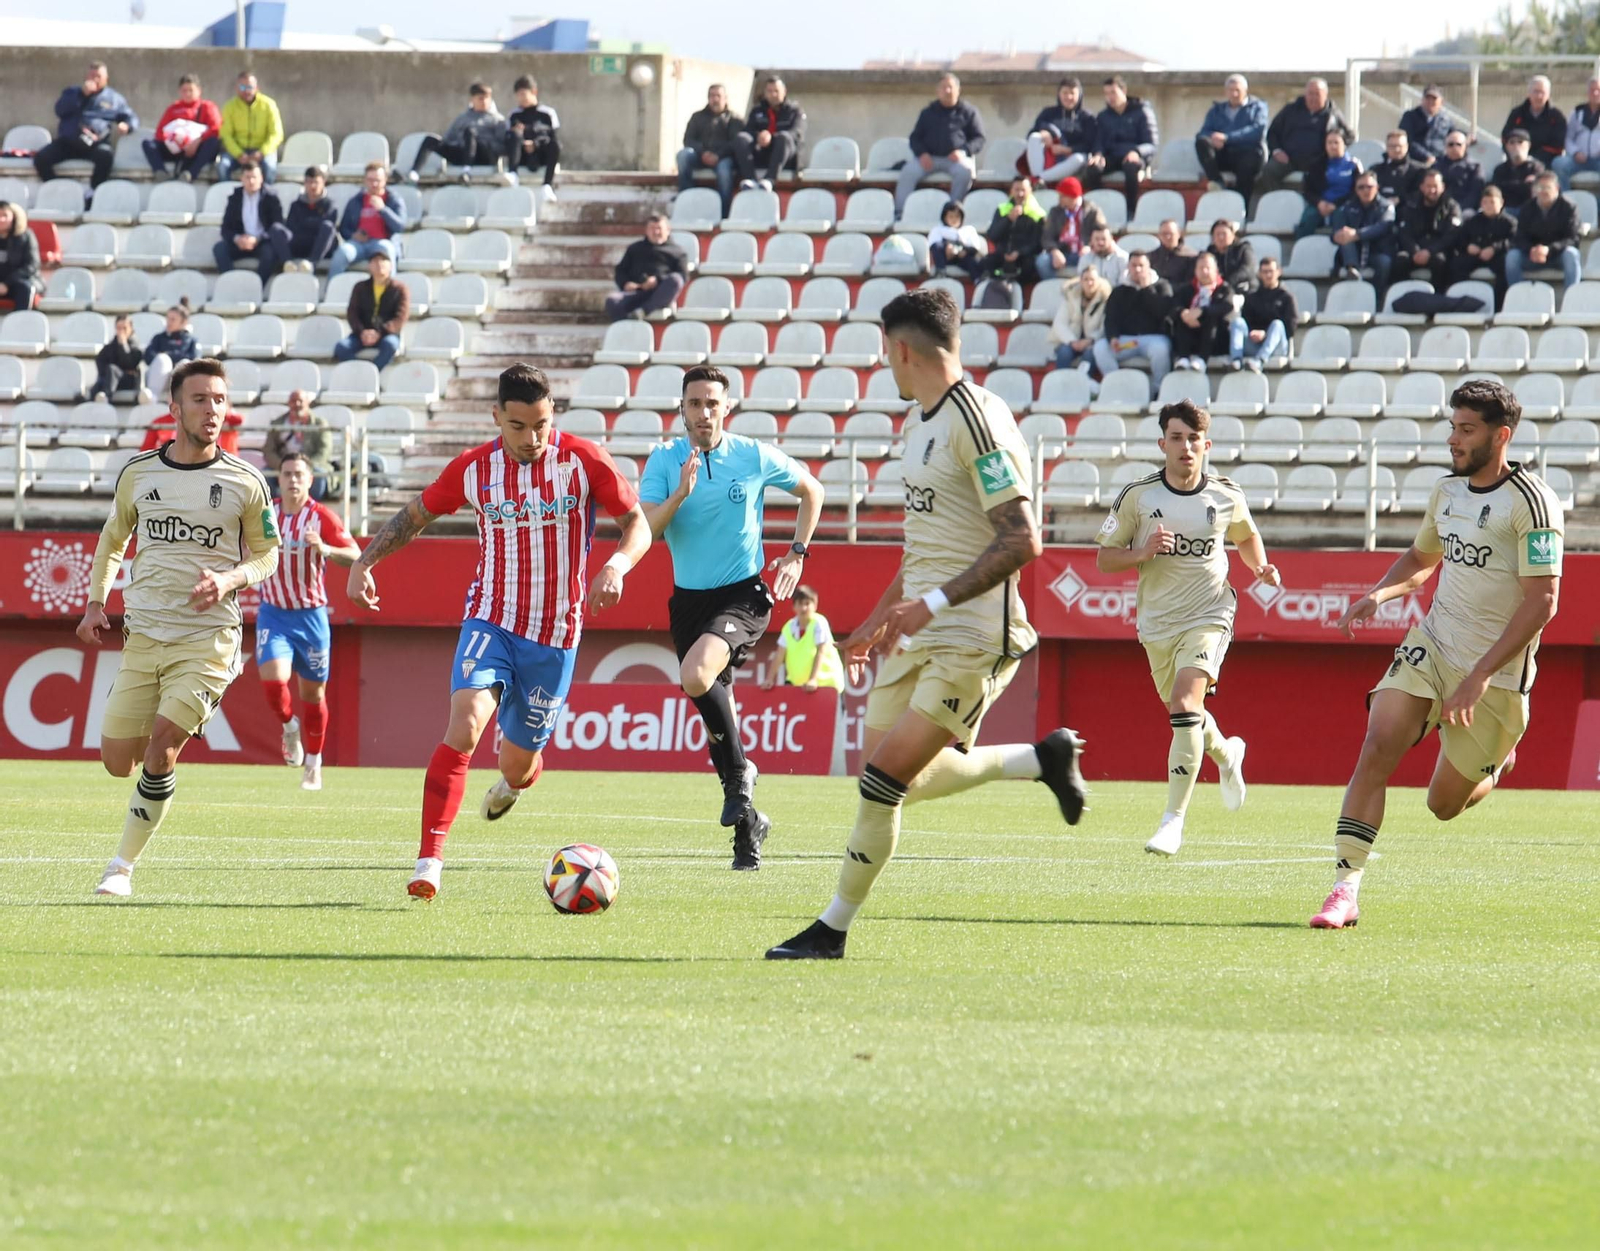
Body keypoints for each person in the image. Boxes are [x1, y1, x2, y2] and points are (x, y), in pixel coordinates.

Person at [765, 288, 1086, 960]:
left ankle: (832, 927)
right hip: (921, 631)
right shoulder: (921, 426)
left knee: (881, 780)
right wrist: (882, 617)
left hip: (973, 636)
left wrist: (931, 604)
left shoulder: (979, 418)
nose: (886, 364)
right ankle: (1037, 758)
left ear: (901, 348)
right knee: (893, 773)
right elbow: (923, 549)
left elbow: (1024, 539)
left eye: (886, 352)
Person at [347, 364, 651, 901]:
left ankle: (516, 780)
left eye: (541, 424)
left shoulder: (583, 461)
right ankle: (429, 862)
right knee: (463, 728)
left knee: (517, 762)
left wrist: (616, 567)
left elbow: (638, 525)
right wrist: (364, 562)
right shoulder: (474, 469)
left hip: (555, 637)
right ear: (496, 418)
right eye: (518, 426)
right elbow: (416, 515)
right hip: (491, 620)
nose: (532, 438)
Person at [1311, 379, 1563, 930]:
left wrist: (1479, 675)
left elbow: (1544, 600)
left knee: (1442, 805)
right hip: (1434, 643)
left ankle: (1495, 764)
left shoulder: (1533, 502)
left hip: (1494, 675)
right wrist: (1380, 592)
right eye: (1452, 427)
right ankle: (1344, 890)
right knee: (1377, 745)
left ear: (1502, 436)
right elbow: (1422, 557)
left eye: (1466, 430)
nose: (1454, 439)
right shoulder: (1446, 492)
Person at [79, 358, 280, 898]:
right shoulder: (139, 473)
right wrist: (97, 601)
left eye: (219, 399)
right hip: (144, 636)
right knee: (118, 761)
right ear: (174, 409)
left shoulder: (246, 481)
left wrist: (231, 578)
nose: (212, 409)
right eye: (200, 399)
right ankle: (151, 781)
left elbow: (268, 555)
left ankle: (120, 868)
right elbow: (113, 538)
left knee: (163, 745)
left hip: (208, 638)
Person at [639, 365, 825, 869]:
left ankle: (741, 776)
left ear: (727, 408)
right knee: (723, 720)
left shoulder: (752, 455)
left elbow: (814, 491)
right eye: (694, 403)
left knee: (696, 675)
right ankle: (749, 831)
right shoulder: (663, 461)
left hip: (743, 594)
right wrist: (679, 492)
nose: (703, 412)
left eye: (712, 403)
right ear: (681, 408)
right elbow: (648, 530)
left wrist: (796, 553)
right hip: (689, 601)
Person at [1095, 398, 1278, 856]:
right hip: (1157, 623)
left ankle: (1172, 821)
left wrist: (1260, 567)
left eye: (1194, 439)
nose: (1186, 447)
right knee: (1186, 716)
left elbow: (1247, 536)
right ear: (1162, 443)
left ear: (1206, 444)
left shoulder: (1226, 494)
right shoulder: (1138, 496)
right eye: (1176, 438)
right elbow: (1103, 558)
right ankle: (1226, 753)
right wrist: (1141, 552)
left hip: (1210, 612)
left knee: (1184, 700)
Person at [256, 451, 361, 791]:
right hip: (273, 611)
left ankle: (314, 765)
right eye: (287, 474)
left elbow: (356, 556)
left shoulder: (321, 518)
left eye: (299, 474)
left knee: (313, 695)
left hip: (311, 616)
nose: (293, 480)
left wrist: (327, 550)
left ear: (310, 480)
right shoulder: (265, 514)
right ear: (279, 478)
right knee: (273, 680)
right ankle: (289, 726)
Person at [35, 61, 138, 190]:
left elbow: (131, 117)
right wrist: (82, 95)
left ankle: (94, 192)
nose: (94, 79)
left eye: (98, 76)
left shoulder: (114, 98)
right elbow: (59, 110)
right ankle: (58, 188)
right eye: (91, 76)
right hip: (68, 143)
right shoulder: (72, 92)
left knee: (106, 156)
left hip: (94, 144)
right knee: (41, 158)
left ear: (106, 79)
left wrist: (127, 125)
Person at [894, 73, 986, 215]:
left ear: (958, 90)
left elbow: (979, 139)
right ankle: (900, 213)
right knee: (908, 172)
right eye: (944, 87)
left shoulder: (969, 112)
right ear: (938, 91)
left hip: (956, 160)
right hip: (929, 159)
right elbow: (915, 138)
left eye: (950, 87)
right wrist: (922, 154)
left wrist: (963, 151)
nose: (947, 91)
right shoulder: (927, 113)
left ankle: (953, 213)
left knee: (964, 173)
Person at [1260, 77, 1356, 195]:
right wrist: (1277, 150)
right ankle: (1279, 203)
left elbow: (1350, 136)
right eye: (1310, 94)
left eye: (1317, 94)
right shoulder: (1290, 110)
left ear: (1325, 95)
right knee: (1269, 171)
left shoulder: (1333, 113)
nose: (1313, 98)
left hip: (1318, 160)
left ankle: (1315, 206)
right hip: (1289, 159)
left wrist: (1335, 150)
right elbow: (1273, 132)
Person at [1093, 251, 1174, 385]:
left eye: (1141, 265)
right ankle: (1116, 385)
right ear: (1128, 268)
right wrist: (1113, 337)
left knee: (1161, 349)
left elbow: (1163, 312)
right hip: (1127, 341)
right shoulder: (1119, 291)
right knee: (1100, 348)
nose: (1137, 269)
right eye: (1134, 265)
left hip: (1154, 339)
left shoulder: (1162, 286)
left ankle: (1159, 388)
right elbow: (1111, 318)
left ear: (1148, 267)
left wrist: (1147, 288)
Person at [1083, 75, 1158, 218]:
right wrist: (1098, 154)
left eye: (1113, 92)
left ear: (1123, 90)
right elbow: (1098, 141)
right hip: (1111, 157)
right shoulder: (1104, 116)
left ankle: (1131, 210)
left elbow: (1152, 144)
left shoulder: (1142, 111)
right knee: (1092, 169)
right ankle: (1099, 209)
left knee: (1131, 168)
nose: (1110, 97)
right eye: (1106, 94)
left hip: (1133, 157)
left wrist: (1137, 152)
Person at [409, 82, 509, 186]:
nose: (484, 101)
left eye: (487, 98)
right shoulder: (463, 118)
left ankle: (467, 171)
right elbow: (448, 139)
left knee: (470, 132)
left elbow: (501, 146)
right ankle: (414, 172)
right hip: (463, 153)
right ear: (472, 99)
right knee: (430, 140)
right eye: (480, 98)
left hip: (484, 156)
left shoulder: (497, 120)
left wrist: (483, 142)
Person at [1194, 74, 1268, 202]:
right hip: (1223, 155)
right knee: (1202, 142)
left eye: (1237, 90)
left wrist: (1227, 138)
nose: (1234, 94)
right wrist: (1213, 138)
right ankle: (1217, 182)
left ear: (1245, 91)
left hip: (1246, 156)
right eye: (1231, 90)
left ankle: (1241, 205)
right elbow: (1203, 132)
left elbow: (1257, 132)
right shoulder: (1217, 110)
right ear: (1225, 91)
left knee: (1250, 159)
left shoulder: (1257, 108)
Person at [328, 163, 407, 280]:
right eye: (370, 180)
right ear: (365, 180)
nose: (374, 184)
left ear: (385, 180)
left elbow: (400, 227)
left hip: (382, 242)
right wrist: (353, 235)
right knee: (342, 253)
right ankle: (331, 292)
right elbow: (344, 228)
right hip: (359, 244)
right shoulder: (356, 200)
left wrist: (383, 209)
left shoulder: (394, 200)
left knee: (387, 251)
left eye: (378, 180)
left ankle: (390, 292)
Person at [212, 159, 288, 281]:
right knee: (219, 249)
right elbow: (225, 228)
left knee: (270, 253)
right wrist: (238, 239)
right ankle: (231, 282)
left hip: (262, 241)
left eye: (254, 177)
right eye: (247, 177)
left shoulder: (271, 198)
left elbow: (277, 225)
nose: (251, 181)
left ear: (261, 178)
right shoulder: (235, 198)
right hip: (240, 242)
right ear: (242, 179)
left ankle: (256, 286)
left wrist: (257, 239)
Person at [333, 251, 408, 372]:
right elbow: (352, 313)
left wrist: (380, 332)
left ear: (391, 266)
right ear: (369, 266)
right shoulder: (360, 287)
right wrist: (362, 331)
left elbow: (400, 317)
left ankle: (371, 372)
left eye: (383, 261)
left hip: (386, 334)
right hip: (362, 334)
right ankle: (358, 371)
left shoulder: (400, 289)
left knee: (391, 345)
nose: (379, 264)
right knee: (341, 347)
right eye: (375, 261)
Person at [605, 213, 688, 321]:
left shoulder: (678, 252)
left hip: (659, 294)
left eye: (659, 228)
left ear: (668, 230)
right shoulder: (634, 249)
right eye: (652, 228)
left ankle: (643, 311)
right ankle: (626, 326)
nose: (656, 232)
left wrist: (658, 280)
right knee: (612, 300)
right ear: (646, 230)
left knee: (675, 280)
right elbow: (620, 270)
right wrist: (625, 283)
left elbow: (683, 276)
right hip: (636, 292)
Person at [1506, 172, 1582, 289]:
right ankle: (1518, 295)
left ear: (1556, 188)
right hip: (1533, 255)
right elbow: (1519, 237)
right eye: (1540, 188)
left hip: (1558, 255)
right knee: (1512, 257)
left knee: (1571, 254)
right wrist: (1532, 249)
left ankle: (1570, 298)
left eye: (1548, 187)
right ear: (1535, 190)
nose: (1544, 191)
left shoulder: (1569, 208)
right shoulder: (1527, 208)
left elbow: (1573, 239)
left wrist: (1548, 249)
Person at [763, 585, 843, 693]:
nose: (803, 608)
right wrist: (769, 679)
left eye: (807, 603)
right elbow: (779, 655)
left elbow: (821, 651)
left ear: (815, 605)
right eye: (800, 604)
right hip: (800, 687)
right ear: (794, 607)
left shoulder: (819, 622)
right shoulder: (789, 627)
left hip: (827, 686)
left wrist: (813, 679)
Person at [677, 83, 741, 215]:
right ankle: (686, 200)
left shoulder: (734, 119)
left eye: (718, 96)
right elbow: (688, 139)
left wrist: (718, 155)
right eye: (712, 96)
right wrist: (703, 153)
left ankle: (724, 212)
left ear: (725, 98)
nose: (715, 99)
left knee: (724, 170)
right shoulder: (697, 117)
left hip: (723, 158)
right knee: (683, 155)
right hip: (700, 156)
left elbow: (736, 143)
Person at [733, 76, 805, 193]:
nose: (773, 95)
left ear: (784, 92)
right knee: (741, 138)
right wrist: (758, 136)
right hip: (762, 153)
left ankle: (769, 179)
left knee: (784, 137)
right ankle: (750, 179)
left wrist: (772, 137)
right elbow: (748, 130)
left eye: (776, 91)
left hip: (785, 157)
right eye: (769, 91)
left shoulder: (794, 111)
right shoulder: (757, 111)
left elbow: (797, 133)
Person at [144, 74, 221, 182]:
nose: (187, 94)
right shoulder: (173, 109)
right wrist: (176, 141)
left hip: (197, 149)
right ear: (180, 91)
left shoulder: (207, 107)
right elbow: (160, 133)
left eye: (191, 90)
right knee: (148, 144)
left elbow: (216, 128)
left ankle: (190, 174)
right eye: (184, 90)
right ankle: (161, 173)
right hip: (176, 148)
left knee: (213, 142)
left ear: (199, 90)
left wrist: (197, 141)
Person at [1394, 169, 1461, 289]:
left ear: (1443, 187)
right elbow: (1404, 232)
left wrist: (1429, 251)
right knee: (1400, 261)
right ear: (1422, 187)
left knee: (1440, 262)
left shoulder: (1452, 207)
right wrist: (1415, 251)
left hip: (1438, 250)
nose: (1432, 190)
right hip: (1415, 249)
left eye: (1435, 186)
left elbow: (1451, 235)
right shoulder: (1411, 204)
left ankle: (1438, 299)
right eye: (1428, 186)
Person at [1446, 185, 1515, 298]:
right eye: (1485, 202)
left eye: (1492, 202)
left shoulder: (1510, 222)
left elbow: (1513, 240)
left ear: (1501, 202)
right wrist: (1468, 247)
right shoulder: (1473, 221)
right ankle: (1462, 299)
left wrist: (1494, 248)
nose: (1488, 206)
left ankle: (1499, 304)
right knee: (1457, 264)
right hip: (1476, 255)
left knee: (1505, 267)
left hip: (1497, 256)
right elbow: (1460, 239)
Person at [1169, 251, 1232, 373]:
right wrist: (1184, 313)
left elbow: (1227, 306)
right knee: (1182, 319)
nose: (1204, 272)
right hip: (1191, 336)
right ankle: (1183, 358)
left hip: (1215, 339)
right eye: (1201, 268)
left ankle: (1203, 360)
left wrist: (1202, 311)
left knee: (1211, 318)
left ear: (1216, 270)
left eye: (1208, 268)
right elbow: (1174, 306)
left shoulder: (1224, 289)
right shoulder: (1187, 289)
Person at [1230, 255, 1296, 371]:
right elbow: (1246, 321)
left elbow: (1290, 328)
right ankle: (1236, 360)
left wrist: (1265, 334)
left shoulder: (1286, 297)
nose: (1268, 275)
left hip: (1276, 346)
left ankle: (1259, 361)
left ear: (1278, 272)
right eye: (1265, 272)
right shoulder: (1252, 297)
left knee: (1277, 324)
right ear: (1259, 274)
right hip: (1254, 344)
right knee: (1237, 322)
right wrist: (1253, 333)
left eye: (1271, 271)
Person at [265, 389, 334, 499]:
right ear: (288, 403)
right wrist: (281, 465)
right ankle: (275, 509)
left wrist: (307, 466)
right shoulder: (277, 423)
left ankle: (310, 509)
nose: (296, 404)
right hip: (282, 464)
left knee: (318, 475)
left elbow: (324, 450)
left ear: (307, 403)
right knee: (265, 474)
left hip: (311, 465)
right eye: (293, 401)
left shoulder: (319, 423)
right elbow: (268, 451)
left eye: (300, 401)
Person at [1332, 171, 1397, 290]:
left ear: (1377, 188)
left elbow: (1382, 227)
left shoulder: (1387, 206)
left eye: (1369, 187)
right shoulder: (1347, 206)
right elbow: (1337, 230)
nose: (1365, 190)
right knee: (1345, 236)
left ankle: (1377, 298)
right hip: (1353, 251)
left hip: (1377, 251)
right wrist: (1337, 235)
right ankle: (1352, 269)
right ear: (1356, 190)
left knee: (1384, 262)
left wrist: (1357, 234)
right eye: (1361, 187)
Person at [216, 71, 283, 184]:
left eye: (250, 87)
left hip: (262, 150)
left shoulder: (269, 105)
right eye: (242, 87)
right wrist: (239, 154)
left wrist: (262, 152)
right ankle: (231, 199)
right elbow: (225, 135)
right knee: (222, 167)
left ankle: (266, 199)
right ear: (237, 88)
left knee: (270, 168)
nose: (246, 91)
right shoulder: (230, 107)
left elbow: (277, 134)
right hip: (238, 151)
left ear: (256, 87)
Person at [1295, 129, 1363, 239]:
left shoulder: (1353, 165)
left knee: (1340, 216)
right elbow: (1308, 191)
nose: (1333, 146)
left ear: (1344, 144)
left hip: (1344, 204)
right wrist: (1319, 203)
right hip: (1321, 204)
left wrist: (1336, 204)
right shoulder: (1317, 165)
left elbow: (1357, 191)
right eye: (1329, 143)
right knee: (1309, 217)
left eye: (1336, 142)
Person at [1026, 78, 1097, 182]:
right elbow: (1030, 135)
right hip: (1048, 156)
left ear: (1079, 95)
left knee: (1079, 159)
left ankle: (1039, 179)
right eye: (1065, 93)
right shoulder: (1048, 113)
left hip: (1071, 158)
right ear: (1059, 94)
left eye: (1072, 93)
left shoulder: (1087, 117)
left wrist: (1066, 149)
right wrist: (1044, 133)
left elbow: (1089, 145)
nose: (1068, 97)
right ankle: (1037, 177)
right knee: (1034, 137)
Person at [1037, 176, 1108, 280]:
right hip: (1063, 252)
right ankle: (1054, 287)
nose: (1059, 199)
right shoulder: (1055, 211)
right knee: (1042, 261)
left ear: (1072, 196)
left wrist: (1090, 246)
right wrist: (1054, 251)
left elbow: (1103, 233)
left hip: (1084, 253)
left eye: (1062, 196)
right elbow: (1047, 237)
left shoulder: (1092, 211)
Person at [1049, 263, 1110, 378]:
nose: (1089, 283)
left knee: (1089, 355)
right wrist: (1072, 341)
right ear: (1081, 281)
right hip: (1071, 341)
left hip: (1092, 342)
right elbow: (1060, 324)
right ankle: (1059, 382)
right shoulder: (1071, 298)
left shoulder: (1106, 300)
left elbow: (1105, 327)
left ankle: (1083, 385)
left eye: (1092, 279)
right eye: (1086, 279)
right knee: (1064, 352)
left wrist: (1090, 340)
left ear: (1099, 281)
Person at [506, 75, 560, 200]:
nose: (521, 99)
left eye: (523, 94)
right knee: (514, 136)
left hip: (541, 154)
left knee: (555, 145)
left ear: (534, 92)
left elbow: (553, 136)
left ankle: (547, 185)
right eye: (518, 95)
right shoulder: (514, 115)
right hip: (522, 156)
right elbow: (509, 138)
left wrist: (535, 144)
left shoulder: (547, 113)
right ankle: (513, 173)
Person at [983, 175, 1045, 283]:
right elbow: (992, 235)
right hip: (1003, 254)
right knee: (986, 263)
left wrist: (1019, 252)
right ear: (1011, 191)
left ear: (1030, 191)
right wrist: (1008, 219)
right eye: (1017, 190)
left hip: (1024, 256)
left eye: (1023, 190)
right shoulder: (1002, 209)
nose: (1020, 194)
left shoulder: (1037, 213)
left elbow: (1037, 243)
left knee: (1030, 265)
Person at [281, 166, 339, 275]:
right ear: (304, 183)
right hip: (299, 244)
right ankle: (288, 263)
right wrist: (315, 222)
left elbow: (327, 228)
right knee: (276, 229)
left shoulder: (330, 204)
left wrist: (304, 222)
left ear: (323, 183)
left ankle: (312, 264)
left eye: (316, 182)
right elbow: (291, 227)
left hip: (321, 247)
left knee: (328, 226)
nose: (312, 186)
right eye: (309, 182)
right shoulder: (295, 205)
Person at [142, 299, 198, 404]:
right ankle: (151, 398)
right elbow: (148, 356)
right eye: (168, 318)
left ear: (183, 322)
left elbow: (194, 359)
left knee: (184, 364)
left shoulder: (191, 340)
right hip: (160, 379)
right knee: (162, 359)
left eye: (173, 319)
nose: (169, 322)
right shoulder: (158, 338)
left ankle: (176, 398)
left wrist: (167, 355)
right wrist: (166, 357)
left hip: (179, 381)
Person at [1502, 75, 1566, 166]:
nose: (1539, 96)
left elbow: (1558, 146)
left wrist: (1534, 159)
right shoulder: (1517, 114)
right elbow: (1506, 138)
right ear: (1529, 93)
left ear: (1548, 95)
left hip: (1546, 162)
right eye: (1536, 91)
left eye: (1542, 92)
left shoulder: (1556, 116)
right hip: (1516, 160)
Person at [1553, 78, 1600, 192]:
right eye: (1592, 90)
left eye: (1598, 90)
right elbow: (1568, 138)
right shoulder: (1577, 112)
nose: (1595, 93)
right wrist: (1575, 152)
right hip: (1578, 160)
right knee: (1558, 164)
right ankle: (1567, 199)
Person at [927, 200, 988, 281]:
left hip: (962, 256)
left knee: (973, 261)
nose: (954, 219)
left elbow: (974, 247)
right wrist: (947, 247)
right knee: (938, 247)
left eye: (957, 216)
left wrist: (963, 251)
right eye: (951, 216)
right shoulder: (938, 229)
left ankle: (978, 281)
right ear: (944, 218)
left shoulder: (969, 230)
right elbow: (933, 245)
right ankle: (941, 273)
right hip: (945, 258)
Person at [0, 201, 41, 313]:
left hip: (17, 282)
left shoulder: (26, 236)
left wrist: (6, 284)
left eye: (5, 216)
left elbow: (32, 265)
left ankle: (20, 324)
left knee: (25, 288)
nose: (1, 219)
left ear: (13, 217)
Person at [1492, 130, 1545, 216]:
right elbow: (1496, 190)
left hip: (1529, 212)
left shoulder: (1537, 168)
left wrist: (1508, 185)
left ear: (1528, 145)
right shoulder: (1500, 169)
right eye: (1512, 142)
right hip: (1505, 210)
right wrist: (1523, 184)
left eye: (1520, 142)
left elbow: (1534, 191)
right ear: (1507, 146)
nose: (1516, 146)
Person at [93, 315, 142, 402]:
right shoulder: (112, 345)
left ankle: (107, 398)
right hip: (112, 379)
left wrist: (123, 345)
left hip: (128, 381)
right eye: (119, 328)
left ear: (130, 328)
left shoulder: (135, 345)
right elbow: (100, 360)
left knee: (112, 369)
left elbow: (130, 363)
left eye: (124, 328)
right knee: (96, 387)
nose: (121, 331)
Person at [1399, 85, 1451, 165]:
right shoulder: (1410, 116)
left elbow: (1454, 135)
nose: (1430, 102)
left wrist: (1468, 138)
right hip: (1415, 162)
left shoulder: (1445, 120)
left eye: (1434, 99)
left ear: (1441, 102)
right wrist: (1426, 156)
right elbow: (1407, 140)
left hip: (1439, 162)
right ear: (1422, 100)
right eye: (1427, 98)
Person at [1372, 130, 1428, 204]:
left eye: (1400, 146)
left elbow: (1421, 194)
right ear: (1387, 147)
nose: (1397, 149)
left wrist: (1400, 199)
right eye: (1393, 146)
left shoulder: (1419, 170)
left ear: (1407, 147)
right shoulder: (1375, 170)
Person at [1437, 130, 1486, 211]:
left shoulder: (1476, 167)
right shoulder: (1437, 165)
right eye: (1451, 144)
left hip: (1464, 209)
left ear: (1465, 146)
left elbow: (1475, 194)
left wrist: (1457, 209)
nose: (1454, 147)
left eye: (1459, 144)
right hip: (1440, 208)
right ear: (1445, 146)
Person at [1206, 218, 1256, 295]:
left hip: (1243, 289)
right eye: (1217, 234)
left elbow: (1247, 269)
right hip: (1218, 290)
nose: (1221, 237)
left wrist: (1227, 283)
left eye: (1224, 234)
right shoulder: (1210, 252)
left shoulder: (1243, 249)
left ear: (1232, 235)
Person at [1149, 219, 1196, 287]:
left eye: (1170, 234)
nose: (1167, 237)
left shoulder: (1191, 256)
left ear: (1179, 234)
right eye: (1164, 234)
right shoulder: (1152, 256)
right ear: (1159, 236)